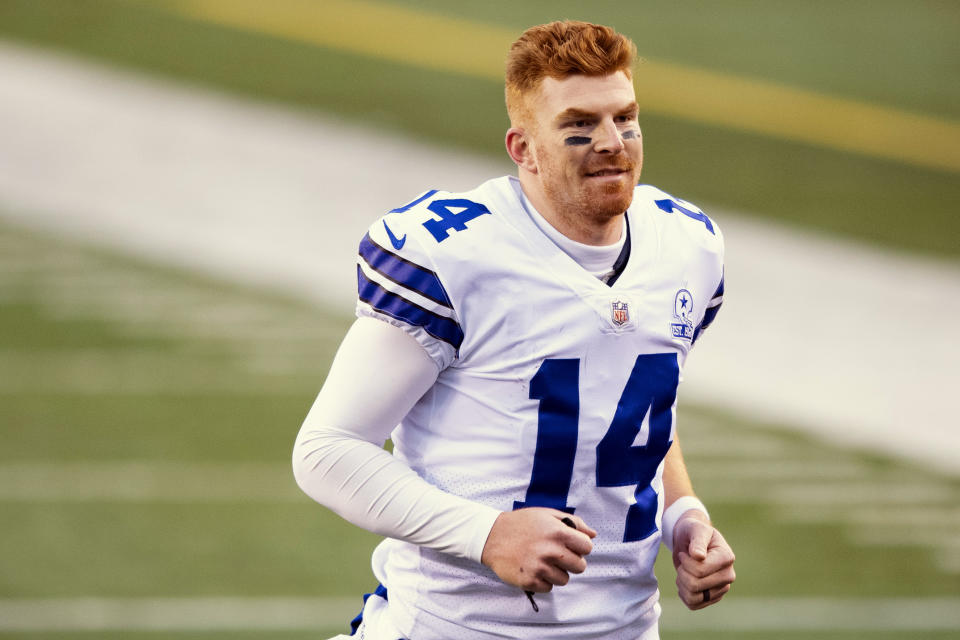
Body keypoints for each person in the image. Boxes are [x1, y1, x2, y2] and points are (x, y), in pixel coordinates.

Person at [293, 20, 735, 640]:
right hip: (451, 627)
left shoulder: (686, 244)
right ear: (523, 148)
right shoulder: (454, 255)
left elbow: (633, 406)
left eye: (625, 119)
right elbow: (326, 451)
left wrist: (684, 517)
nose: (612, 143)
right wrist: (488, 534)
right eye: (579, 127)